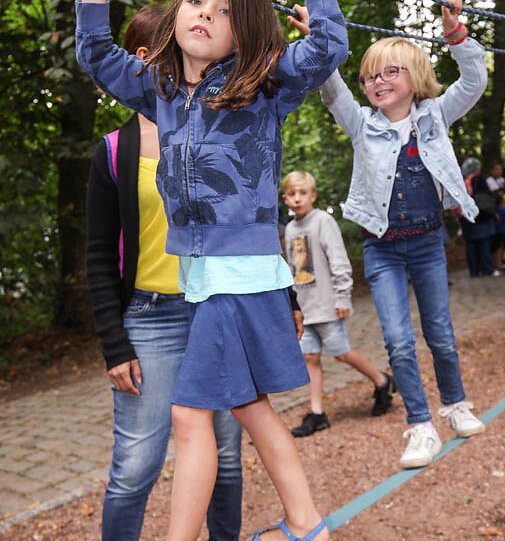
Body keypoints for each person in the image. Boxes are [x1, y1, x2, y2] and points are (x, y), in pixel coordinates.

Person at [76, 1, 348, 540]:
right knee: (250, 407)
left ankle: (294, 525)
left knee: (189, 416)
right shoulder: (161, 90)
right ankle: (305, 524)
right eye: (197, 3)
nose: (205, 15)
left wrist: (321, 9)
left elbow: (327, 46)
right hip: (204, 281)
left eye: (223, 11)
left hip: (240, 277)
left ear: (243, 30)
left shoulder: (264, 82)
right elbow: (96, 54)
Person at [289, 0, 486, 469]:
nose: (377, 82)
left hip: (427, 243)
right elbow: (332, 89)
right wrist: (319, 39)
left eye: (389, 72)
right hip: (383, 250)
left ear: (415, 77)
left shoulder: (436, 115)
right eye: (369, 77)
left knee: (440, 335)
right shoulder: (361, 125)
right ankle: (420, 425)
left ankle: (455, 403)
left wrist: (456, 33)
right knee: (398, 341)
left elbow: (474, 80)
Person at [85, 5, 243, 540]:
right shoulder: (113, 151)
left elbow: (248, 225)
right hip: (149, 320)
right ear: (142, 61)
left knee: (226, 458)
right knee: (134, 469)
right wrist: (115, 345)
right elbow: (99, 255)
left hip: (219, 310)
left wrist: (285, 299)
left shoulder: (222, 133)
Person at [282, 171, 395, 437]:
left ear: (313, 196)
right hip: (305, 307)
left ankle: (382, 381)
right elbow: (292, 269)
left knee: (341, 353)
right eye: (291, 194)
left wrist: (343, 296)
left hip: (327, 304)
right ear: (285, 198)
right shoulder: (289, 229)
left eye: (302, 193)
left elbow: (339, 260)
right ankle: (317, 413)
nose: (297, 199)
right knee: (310, 357)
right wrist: (293, 306)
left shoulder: (323, 221)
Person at [458, 158, 500, 277]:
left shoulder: (461, 180)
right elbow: (488, 196)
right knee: (484, 243)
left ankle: (474, 270)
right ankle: (487, 269)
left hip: (466, 215)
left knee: (470, 244)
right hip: (482, 215)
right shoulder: (480, 179)